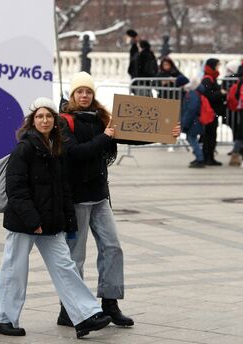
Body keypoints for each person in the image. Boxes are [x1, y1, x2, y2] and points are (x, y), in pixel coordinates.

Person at [57, 72, 180, 328]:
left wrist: (165, 132)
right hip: (77, 198)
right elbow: (74, 153)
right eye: (80, 91)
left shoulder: (102, 118)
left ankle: (110, 303)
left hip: (99, 196)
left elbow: (131, 133)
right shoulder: (64, 121)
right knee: (75, 257)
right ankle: (69, 308)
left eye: (88, 92)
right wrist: (105, 136)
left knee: (112, 248)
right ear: (72, 95)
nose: (84, 95)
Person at [0, 97, 112, 339]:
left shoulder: (56, 148)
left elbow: (63, 188)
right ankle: (3, 319)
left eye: (48, 117)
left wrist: (69, 220)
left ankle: (85, 315)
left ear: (55, 122)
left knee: (65, 267)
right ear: (32, 121)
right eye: (39, 116)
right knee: (15, 269)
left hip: (51, 222)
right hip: (25, 223)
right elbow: (17, 190)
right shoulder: (24, 149)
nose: (44, 120)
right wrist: (32, 221)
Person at [197, 58, 225, 166]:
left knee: (210, 135)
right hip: (209, 112)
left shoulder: (211, 78)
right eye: (217, 65)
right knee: (209, 136)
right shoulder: (208, 79)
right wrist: (220, 93)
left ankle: (209, 157)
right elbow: (208, 96)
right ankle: (208, 157)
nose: (219, 67)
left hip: (212, 112)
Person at [178, 76, 205, 168]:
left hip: (193, 121)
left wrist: (185, 123)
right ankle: (199, 156)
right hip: (195, 120)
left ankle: (200, 158)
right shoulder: (195, 92)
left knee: (191, 138)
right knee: (192, 138)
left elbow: (190, 110)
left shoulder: (191, 94)